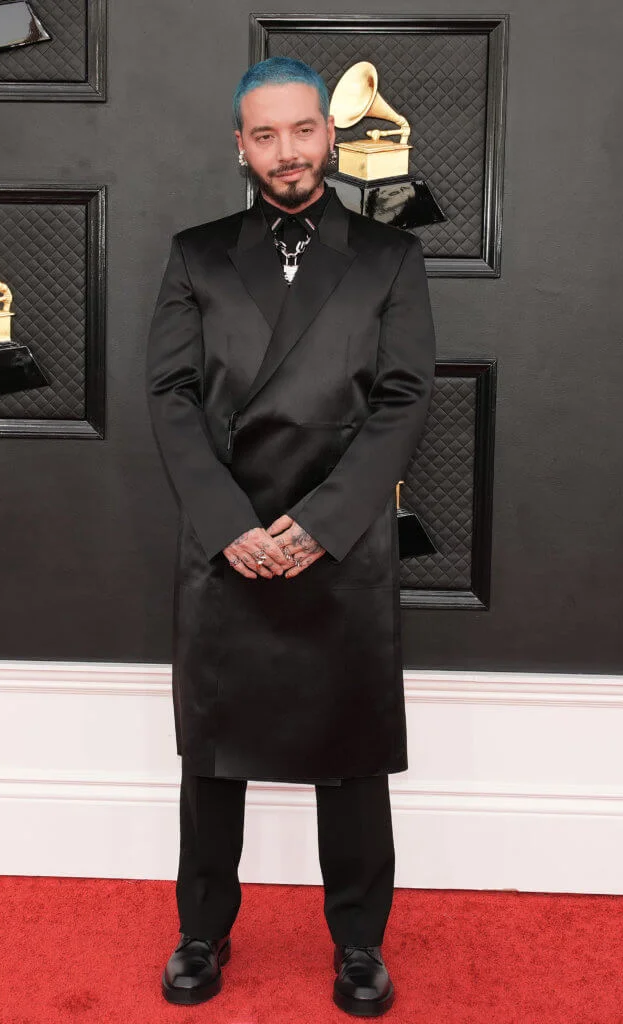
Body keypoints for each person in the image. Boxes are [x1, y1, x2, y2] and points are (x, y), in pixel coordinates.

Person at [145, 56, 436, 1017]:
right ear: (240, 146)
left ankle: (359, 945)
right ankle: (201, 930)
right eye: (263, 135)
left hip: (339, 543)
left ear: (329, 135)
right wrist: (232, 527)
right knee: (213, 755)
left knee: (348, 754)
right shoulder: (195, 253)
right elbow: (171, 399)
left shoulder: (391, 258)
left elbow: (401, 403)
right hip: (227, 543)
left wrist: (319, 524)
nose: (285, 152)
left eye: (301, 130)